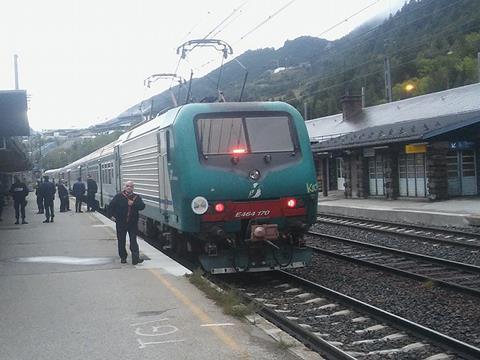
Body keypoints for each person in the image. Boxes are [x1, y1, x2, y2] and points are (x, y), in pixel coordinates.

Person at [108, 181, 146, 265]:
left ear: (133, 188)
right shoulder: (119, 196)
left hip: (132, 223)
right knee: (121, 240)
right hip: (121, 222)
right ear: (124, 187)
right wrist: (112, 216)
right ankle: (123, 257)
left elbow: (142, 206)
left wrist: (134, 204)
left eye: (131, 186)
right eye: (127, 186)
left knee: (133, 240)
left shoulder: (136, 197)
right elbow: (111, 206)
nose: (129, 188)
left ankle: (135, 259)